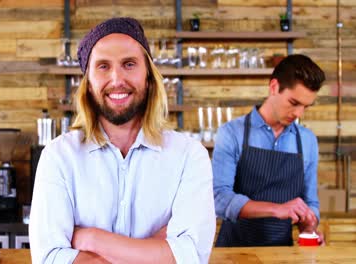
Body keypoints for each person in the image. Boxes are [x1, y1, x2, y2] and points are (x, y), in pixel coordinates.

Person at [29, 17, 216, 263]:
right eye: (103, 66)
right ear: (87, 84)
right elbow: (49, 257)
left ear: (149, 78)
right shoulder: (59, 156)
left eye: (129, 64)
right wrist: (156, 250)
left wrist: (92, 239)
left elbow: (191, 255)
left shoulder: (189, 156)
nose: (117, 79)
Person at [212, 54, 326, 247]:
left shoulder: (307, 141)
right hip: (234, 251)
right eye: (294, 103)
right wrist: (276, 209)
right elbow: (219, 199)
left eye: (306, 107)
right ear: (274, 87)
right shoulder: (231, 133)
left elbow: (311, 204)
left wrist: (310, 227)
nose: (299, 114)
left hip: (283, 254)